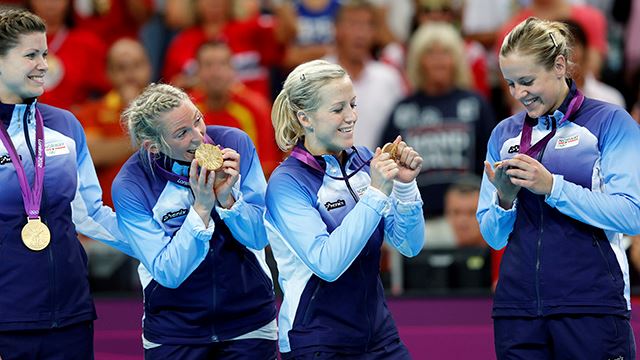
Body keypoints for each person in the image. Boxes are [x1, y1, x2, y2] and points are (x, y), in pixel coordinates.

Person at [477, 17, 640, 359]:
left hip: (591, 305)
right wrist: (505, 201)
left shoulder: (610, 123)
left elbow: (631, 214)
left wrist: (552, 187)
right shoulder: (503, 135)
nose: (519, 94)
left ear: (560, 66)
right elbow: (492, 237)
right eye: (509, 84)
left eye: (527, 81)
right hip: (517, 310)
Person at [265, 59, 424, 359]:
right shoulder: (286, 184)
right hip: (318, 341)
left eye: (353, 104)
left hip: (379, 336)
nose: (351, 116)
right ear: (305, 118)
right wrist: (376, 194)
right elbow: (327, 263)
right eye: (338, 109)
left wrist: (404, 187)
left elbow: (410, 245)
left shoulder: (363, 161)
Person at [0, 8, 133, 359]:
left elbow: (88, 214)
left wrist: (157, 243)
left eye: (45, 53)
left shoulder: (65, 125)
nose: (44, 65)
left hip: (70, 316)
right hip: (7, 321)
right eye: (30, 55)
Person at [112, 83, 277, 359]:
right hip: (175, 333)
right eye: (182, 133)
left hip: (249, 325)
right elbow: (168, 272)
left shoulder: (235, 144)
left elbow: (260, 237)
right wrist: (201, 208)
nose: (200, 137)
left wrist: (228, 201)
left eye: (198, 120)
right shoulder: (131, 185)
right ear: (153, 147)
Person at [190, 40, 282, 177]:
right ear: (197, 71)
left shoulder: (256, 108)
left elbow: (266, 168)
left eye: (222, 64)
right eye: (208, 65)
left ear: (233, 69)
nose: (215, 73)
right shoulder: (187, 110)